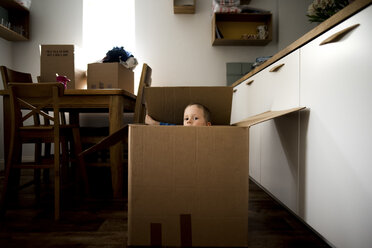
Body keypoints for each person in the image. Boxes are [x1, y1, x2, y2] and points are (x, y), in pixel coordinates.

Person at [145, 103, 212, 126]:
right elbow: (170, 127)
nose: (189, 121)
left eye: (195, 118)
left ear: (207, 125)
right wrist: (156, 123)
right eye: (186, 118)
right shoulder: (181, 130)